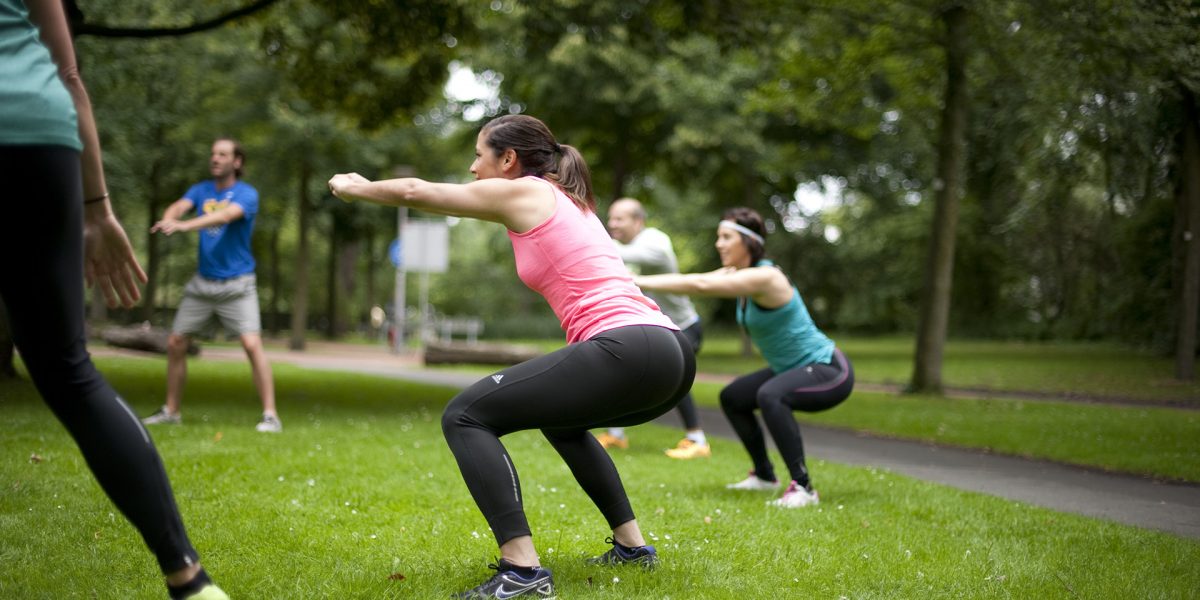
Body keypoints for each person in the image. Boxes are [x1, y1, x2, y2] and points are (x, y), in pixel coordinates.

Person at [329, 114, 696, 599]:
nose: (472, 166)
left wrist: (358, 186)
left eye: (479, 155)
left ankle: (522, 569)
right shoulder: (570, 201)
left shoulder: (528, 190)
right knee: (562, 423)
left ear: (509, 159)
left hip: (629, 345)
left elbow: (419, 191)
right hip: (669, 352)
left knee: (464, 415)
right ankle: (632, 548)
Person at [0, 1, 228, 598]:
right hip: (38, 130)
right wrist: (97, 208)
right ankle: (189, 578)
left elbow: (224, 210)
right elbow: (68, 72)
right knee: (68, 371)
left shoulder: (239, 192)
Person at [634, 207, 854, 509]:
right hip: (791, 367)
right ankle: (764, 475)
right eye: (718, 237)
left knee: (770, 395)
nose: (719, 244)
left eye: (726, 237)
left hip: (829, 369)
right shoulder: (738, 275)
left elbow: (700, 286)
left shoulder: (766, 277)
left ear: (748, 242)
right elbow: (699, 278)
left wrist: (633, 280)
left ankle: (803, 487)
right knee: (734, 397)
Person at [142, 137, 280, 433]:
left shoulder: (247, 194)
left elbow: (226, 216)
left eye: (222, 154)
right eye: (213, 153)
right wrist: (169, 219)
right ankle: (171, 411)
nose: (215, 158)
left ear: (237, 161)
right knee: (176, 342)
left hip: (238, 285)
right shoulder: (200, 190)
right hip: (203, 284)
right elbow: (179, 206)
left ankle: (270, 415)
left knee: (251, 344)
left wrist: (183, 226)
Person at [603, 197, 710, 459]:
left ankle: (697, 441)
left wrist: (593, 244)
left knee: (673, 379)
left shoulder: (655, 241)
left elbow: (641, 256)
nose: (612, 224)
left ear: (638, 222)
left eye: (619, 219)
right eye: (611, 218)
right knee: (626, 372)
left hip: (684, 326)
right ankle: (616, 434)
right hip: (656, 328)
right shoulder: (619, 246)